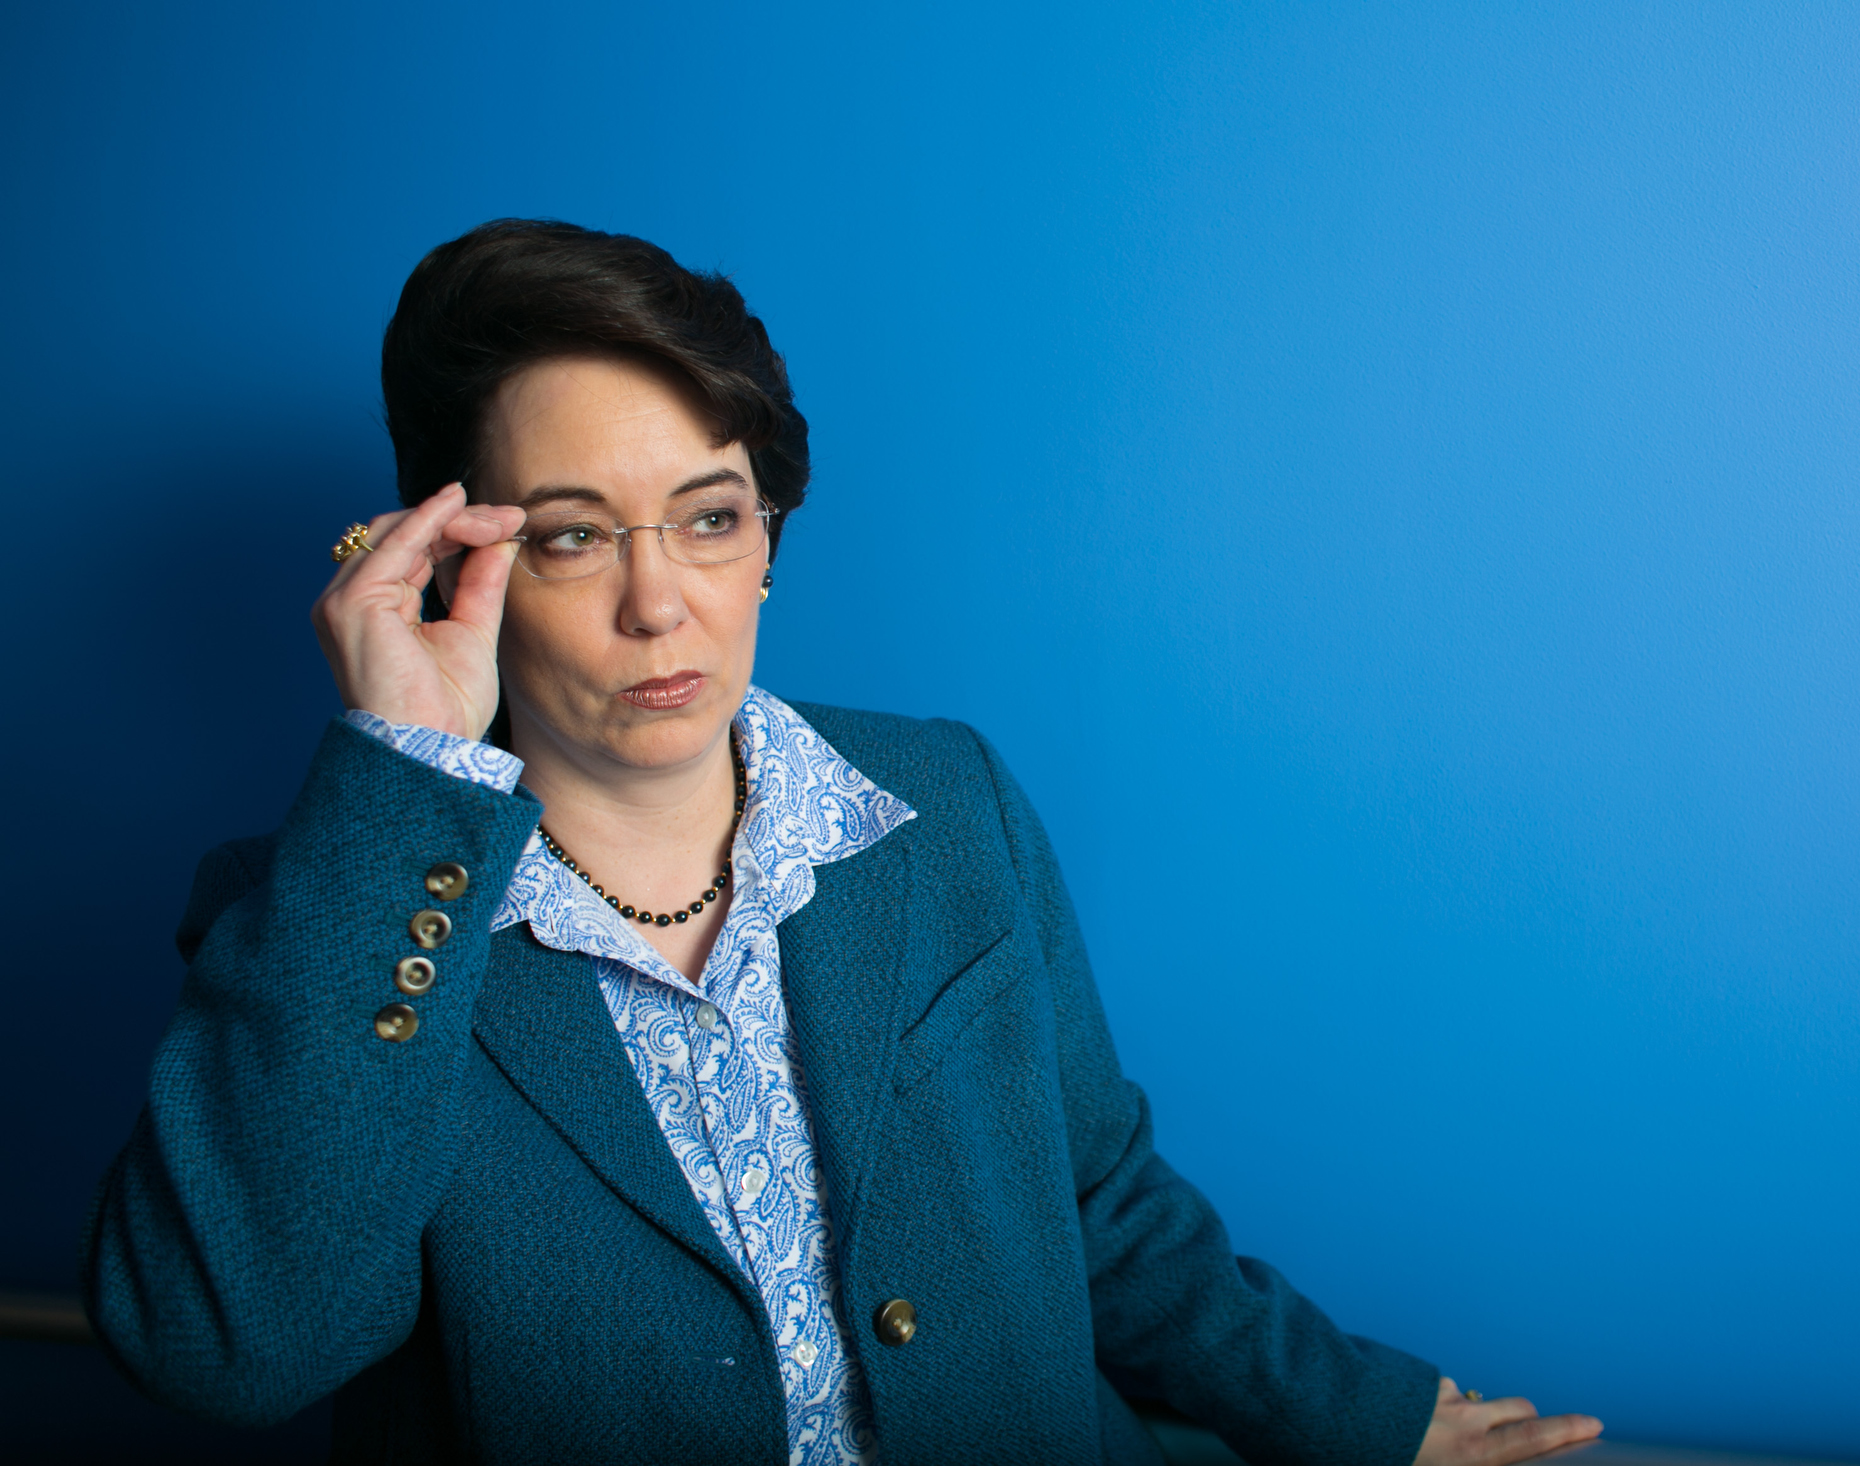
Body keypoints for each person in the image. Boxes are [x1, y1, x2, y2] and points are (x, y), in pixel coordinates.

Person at [81, 219, 1603, 1466]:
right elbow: (231, 1351)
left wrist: (1362, 1419)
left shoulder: (944, 804)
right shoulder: (337, 906)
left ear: (770, 537)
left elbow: (1105, 1207)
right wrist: (403, 771)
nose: (656, 601)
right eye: (569, 533)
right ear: (450, 557)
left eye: (708, 516)